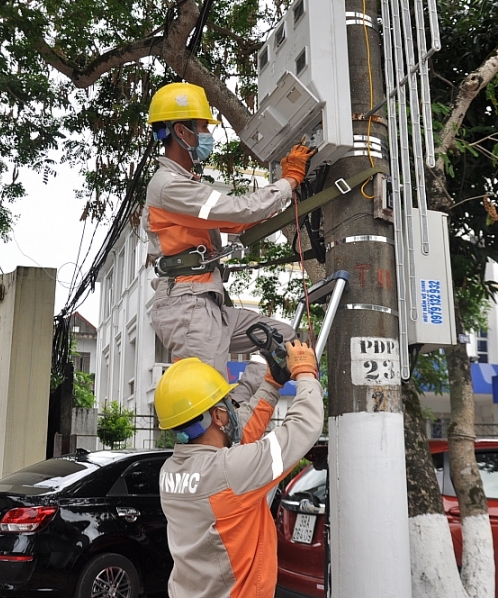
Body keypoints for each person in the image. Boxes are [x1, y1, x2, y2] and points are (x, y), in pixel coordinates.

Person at [143, 81, 315, 403]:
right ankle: (230, 429)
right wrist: (288, 182)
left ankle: (245, 406)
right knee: (210, 407)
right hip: (188, 309)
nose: (207, 135)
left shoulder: (183, 185)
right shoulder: (168, 186)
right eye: (203, 128)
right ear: (181, 131)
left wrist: (280, 198)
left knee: (285, 339)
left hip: (208, 305)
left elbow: (237, 220)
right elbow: (237, 210)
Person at [156, 340, 323, 598]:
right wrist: (305, 372)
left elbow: (238, 439)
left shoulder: (170, 471)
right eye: (229, 404)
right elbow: (303, 427)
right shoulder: (228, 471)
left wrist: (270, 386)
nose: (235, 409)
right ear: (218, 416)